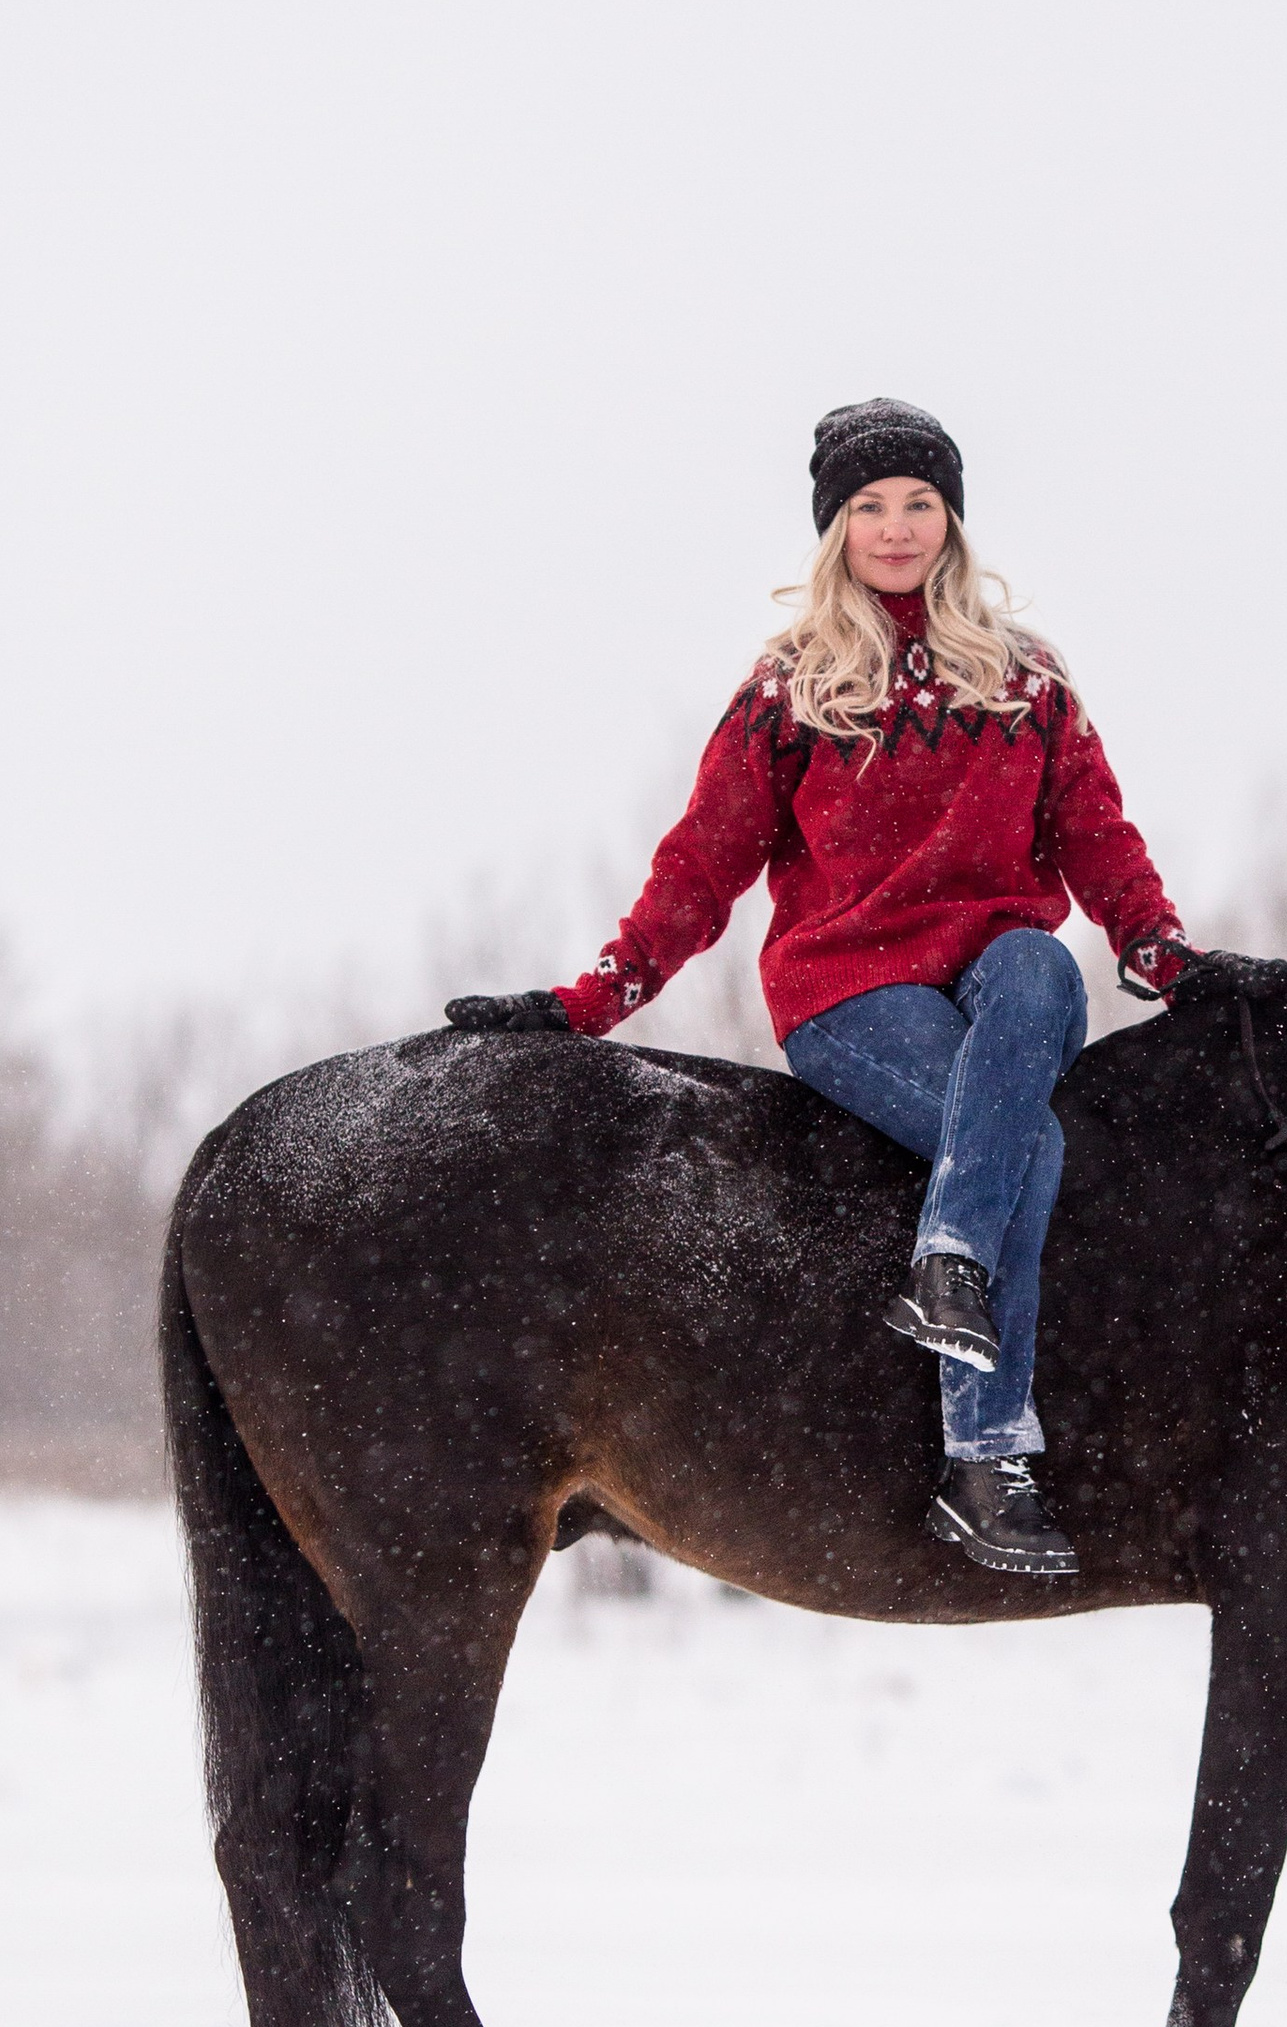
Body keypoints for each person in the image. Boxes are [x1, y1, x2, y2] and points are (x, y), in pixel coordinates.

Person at [445, 398, 1192, 1580]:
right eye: (868, 508)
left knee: (1045, 963)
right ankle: (983, 1457)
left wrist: (1166, 956)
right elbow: (701, 866)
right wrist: (586, 999)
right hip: (852, 993)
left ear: (951, 520)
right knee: (1030, 1151)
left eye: (918, 504)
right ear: (835, 529)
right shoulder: (792, 687)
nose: (895, 529)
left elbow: (1097, 839)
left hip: (1000, 985)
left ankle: (948, 1253)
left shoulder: (1027, 680)